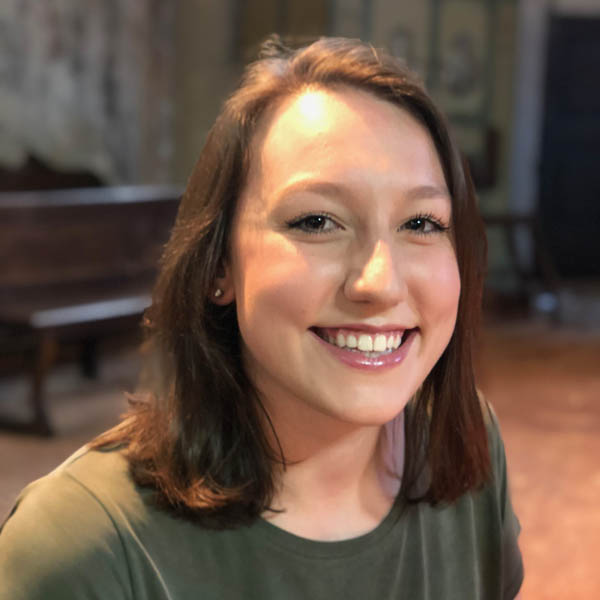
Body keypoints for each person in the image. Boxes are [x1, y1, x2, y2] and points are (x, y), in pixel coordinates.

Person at [0, 36, 523, 599]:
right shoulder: (80, 549)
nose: (380, 282)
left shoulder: (463, 447)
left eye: (421, 223)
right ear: (219, 265)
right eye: (317, 221)